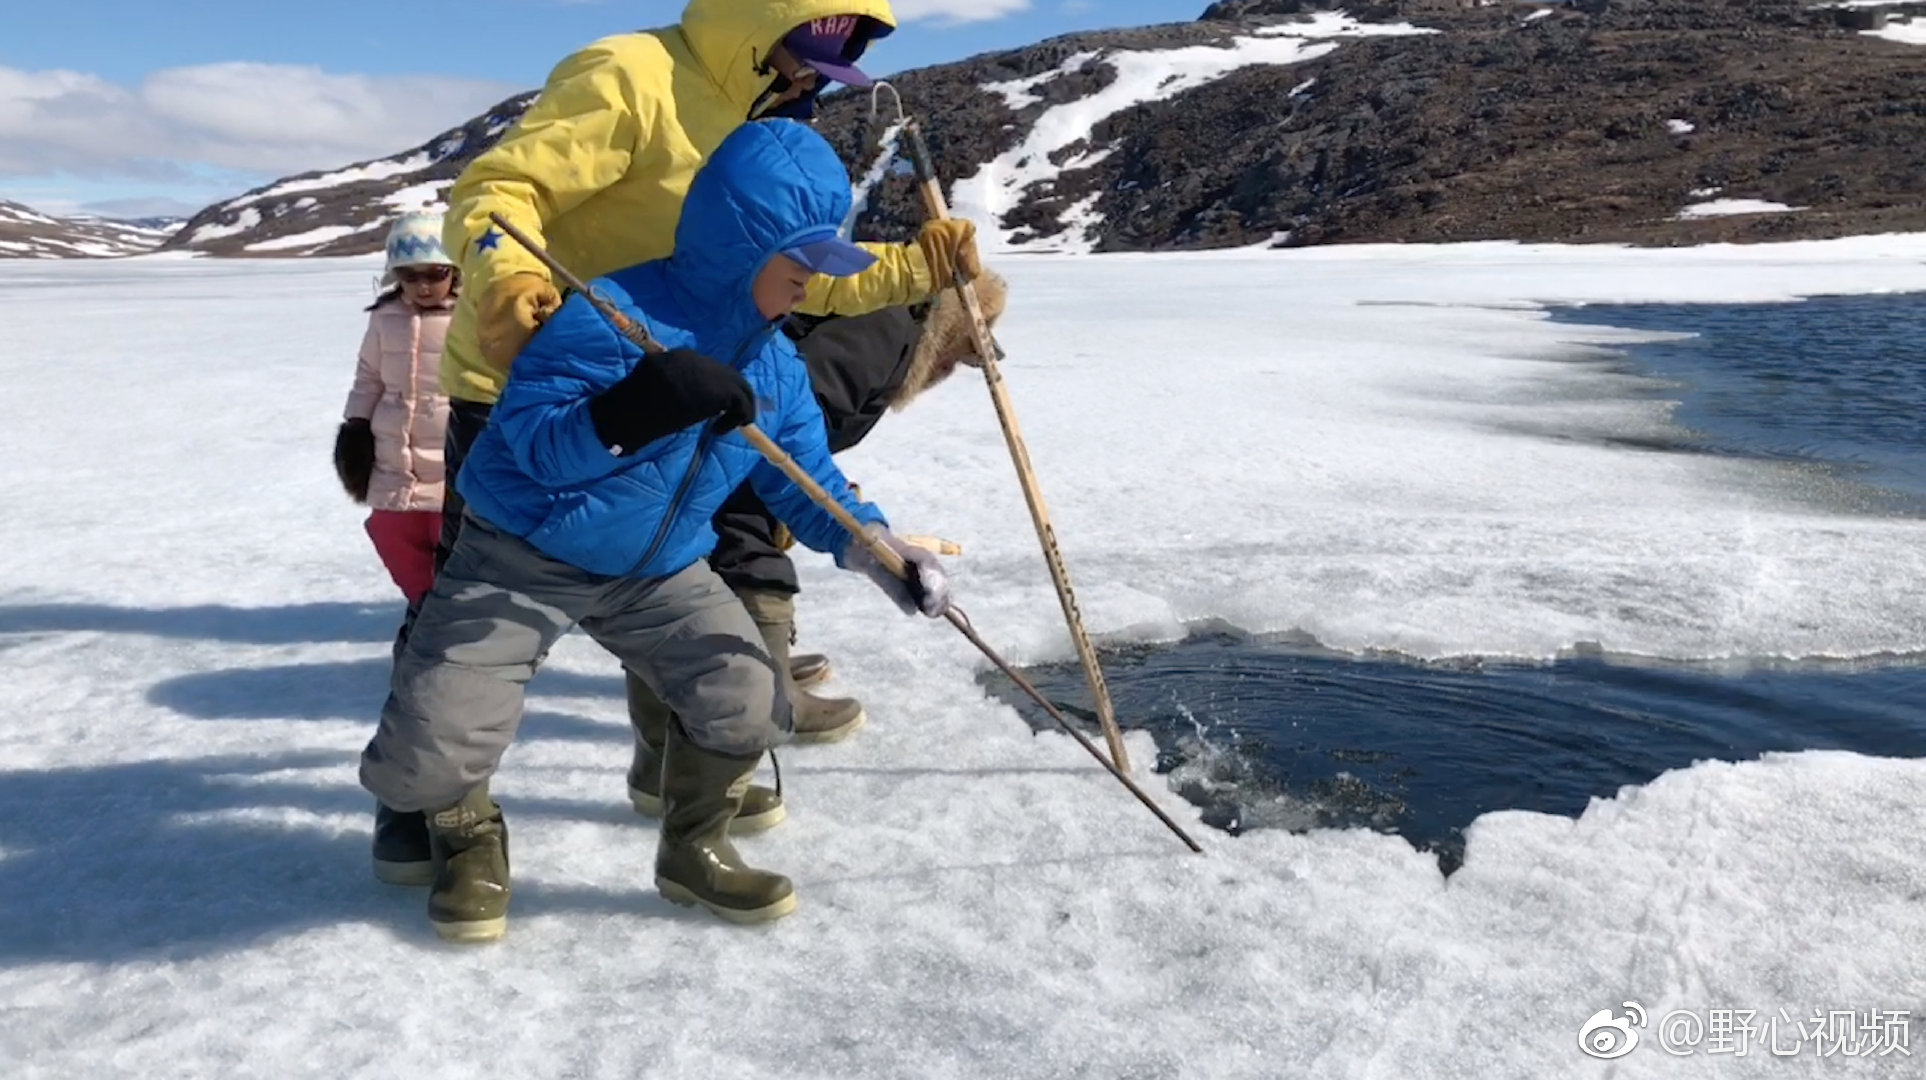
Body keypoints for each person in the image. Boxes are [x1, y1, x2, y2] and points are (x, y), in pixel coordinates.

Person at [368, 0, 983, 872]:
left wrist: (919, 272)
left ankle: (673, 775)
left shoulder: (763, 124)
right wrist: (508, 283)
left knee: (664, 569)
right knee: (462, 619)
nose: (813, 80)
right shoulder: (632, 78)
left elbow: (788, 274)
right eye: (807, 53)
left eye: (830, 68)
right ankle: (422, 803)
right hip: (532, 366)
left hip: (706, 369)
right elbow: (501, 193)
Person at [623, 273, 1009, 828]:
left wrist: (851, 522)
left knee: (713, 571)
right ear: (950, 332)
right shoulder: (886, 336)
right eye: (961, 354)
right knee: (746, 562)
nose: (950, 371)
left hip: (737, 455)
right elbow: (782, 422)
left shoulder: (899, 337)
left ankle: (742, 689)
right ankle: (758, 702)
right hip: (726, 456)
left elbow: (803, 435)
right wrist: (820, 503)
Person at [333, 212, 458, 668]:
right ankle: (423, 611)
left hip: (452, 456)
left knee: (454, 550)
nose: (423, 285)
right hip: (390, 454)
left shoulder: (472, 316)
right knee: (393, 535)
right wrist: (355, 427)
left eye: (434, 274)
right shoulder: (385, 318)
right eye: (410, 276)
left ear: (454, 272)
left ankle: (446, 636)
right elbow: (369, 376)